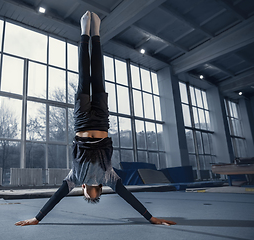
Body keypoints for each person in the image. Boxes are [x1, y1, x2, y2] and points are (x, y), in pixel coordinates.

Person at [15, 11, 176, 227]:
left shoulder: (108, 179)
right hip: (85, 122)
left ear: (98, 189)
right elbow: (58, 197)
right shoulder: (81, 178)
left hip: (98, 121)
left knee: (96, 76)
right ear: (85, 189)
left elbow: (128, 198)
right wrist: (37, 218)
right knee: (86, 76)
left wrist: (151, 217)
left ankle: (95, 34)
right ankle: (87, 33)